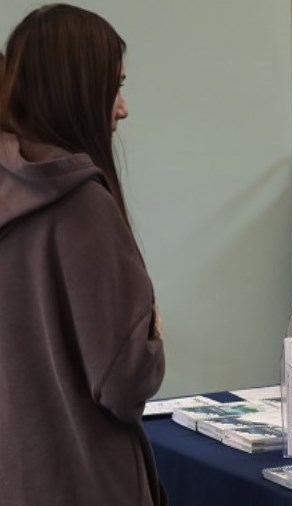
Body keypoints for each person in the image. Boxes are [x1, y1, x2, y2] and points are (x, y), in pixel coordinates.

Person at [0, 5, 166, 505]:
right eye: (113, 87)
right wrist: (153, 330)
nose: (122, 108)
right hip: (85, 479)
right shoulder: (83, 205)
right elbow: (123, 378)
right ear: (75, 90)